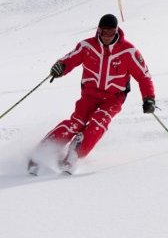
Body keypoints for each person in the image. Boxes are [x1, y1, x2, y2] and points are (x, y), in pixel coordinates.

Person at [28, 14, 155, 175]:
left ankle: (74, 156)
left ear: (116, 31)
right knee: (76, 122)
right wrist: (60, 67)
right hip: (90, 95)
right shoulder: (87, 46)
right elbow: (70, 59)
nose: (107, 37)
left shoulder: (128, 51)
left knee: (98, 122)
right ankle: (41, 153)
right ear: (98, 30)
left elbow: (144, 76)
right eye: (103, 32)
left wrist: (149, 98)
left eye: (110, 33)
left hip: (113, 98)